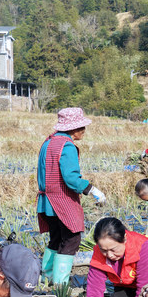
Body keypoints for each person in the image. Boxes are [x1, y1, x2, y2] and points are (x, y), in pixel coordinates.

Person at [37, 108, 105, 284]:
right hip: (61, 201)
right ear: (73, 129)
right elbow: (71, 178)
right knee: (72, 239)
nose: (84, 131)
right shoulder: (67, 146)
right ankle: (60, 283)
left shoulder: (48, 142)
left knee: (56, 238)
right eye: (82, 127)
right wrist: (91, 189)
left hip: (46, 202)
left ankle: (47, 277)